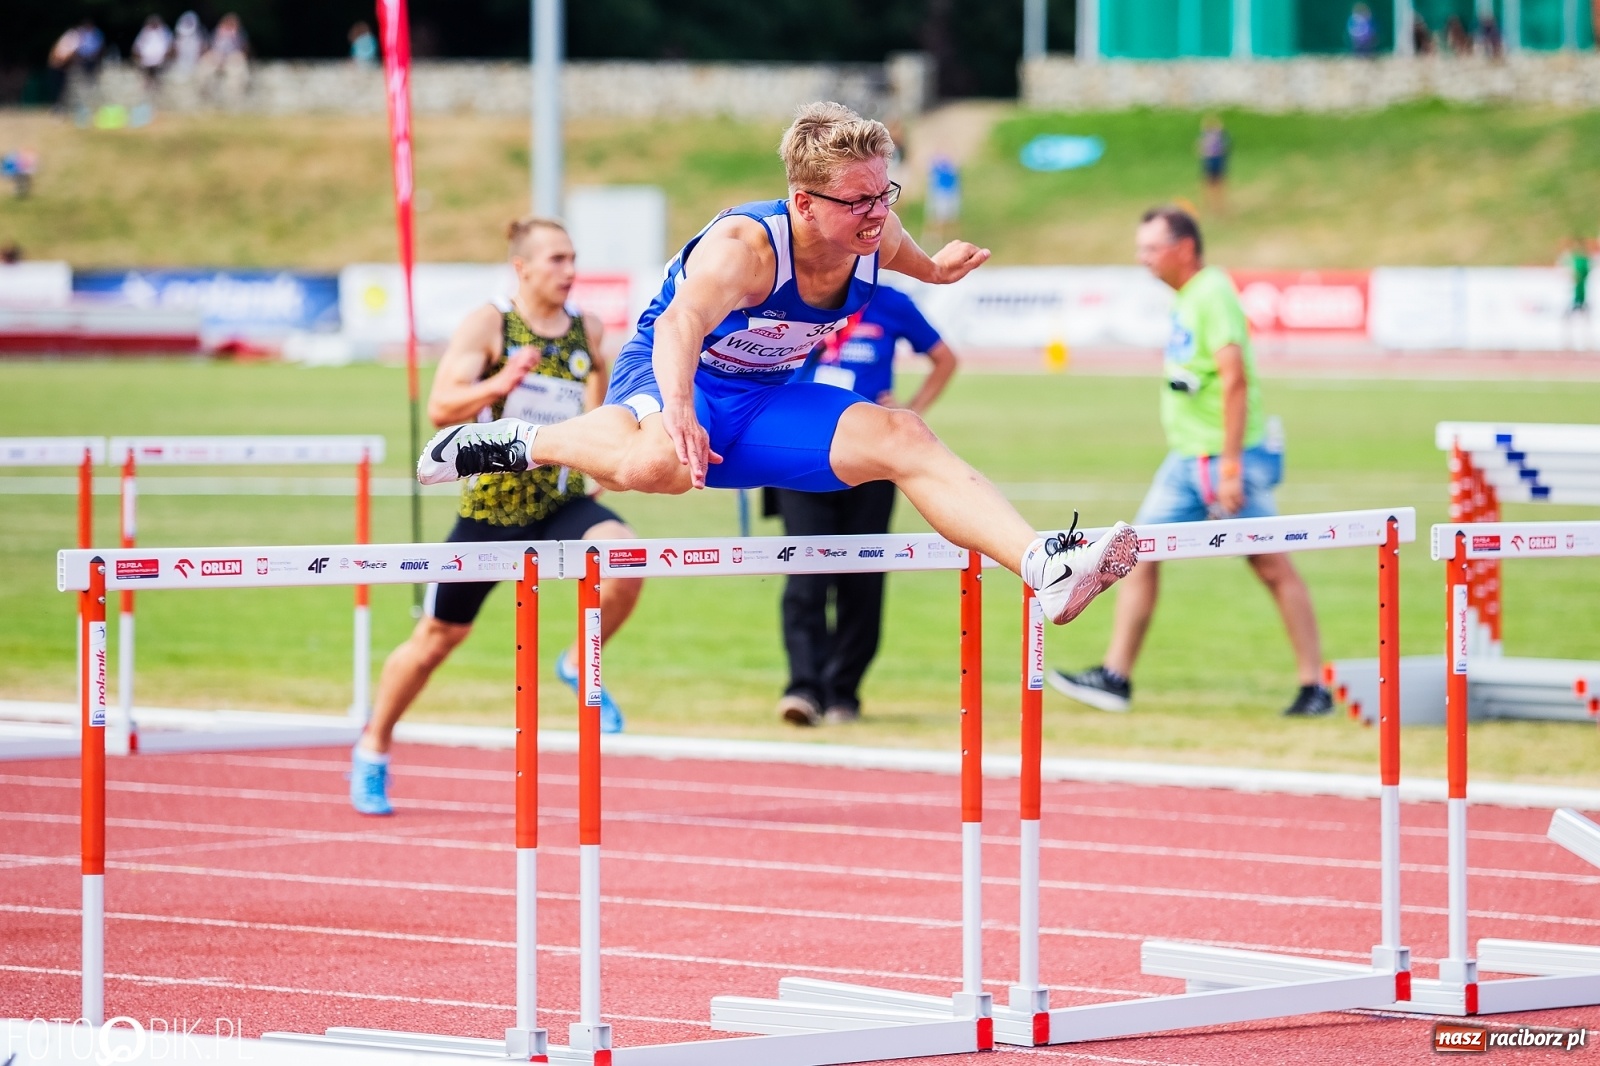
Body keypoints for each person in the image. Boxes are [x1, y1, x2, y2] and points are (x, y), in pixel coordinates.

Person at [418, 101, 1138, 640]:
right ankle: (520, 442)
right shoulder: (744, 249)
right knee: (657, 465)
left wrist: (939, 270)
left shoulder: (875, 229)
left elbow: (910, 257)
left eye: (884, 193)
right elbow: (677, 326)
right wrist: (679, 410)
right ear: (803, 201)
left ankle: (1043, 564)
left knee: (903, 436)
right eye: (857, 199)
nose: (875, 212)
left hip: (768, 397)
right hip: (677, 370)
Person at [351, 216, 644, 815]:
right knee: (437, 639)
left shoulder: (585, 328)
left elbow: (600, 399)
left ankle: (571, 662)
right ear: (523, 267)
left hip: (558, 503)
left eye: (573, 258)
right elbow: (440, 407)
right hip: (491, 509)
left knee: (627, 559)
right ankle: (373, 747)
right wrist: (502, 381)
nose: (569, 270)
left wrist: (596, 462)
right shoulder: (492, 324)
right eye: (557, 259)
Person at [1047, 206, 1333, 718]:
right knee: (1132, 554)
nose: (1142, 260)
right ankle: (1115, 677)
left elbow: (1235, 378)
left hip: (1222, 458)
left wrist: (1228, 467)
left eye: (1150, 249)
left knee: (1272, 566)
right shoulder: (1188, 299)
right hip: (1186, 461)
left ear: (1184, 248)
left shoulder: (1212, 293)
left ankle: (1315, 688)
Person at [770, 285, 959, 726]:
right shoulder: (789, 296)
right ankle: (803, 689)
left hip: (873, 459)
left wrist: (911, 411)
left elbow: (945, 358)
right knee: (806, 573)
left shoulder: (891, 303)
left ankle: (843, 693)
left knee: (864, 576)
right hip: (798, 454)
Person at [1197, 116, 1230, 215]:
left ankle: (1217, 206)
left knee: (1217, 184)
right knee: (1209, 184)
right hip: (1211, 162)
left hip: (1216, 162)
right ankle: (1211, 205)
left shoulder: (1218, 136)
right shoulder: (1206, 136)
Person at [133, 16, 174, 96]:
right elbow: (137, 48)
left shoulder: (164, 32)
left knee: (158, 81)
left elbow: (170, 47)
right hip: (147, 62)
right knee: (148, 81)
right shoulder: (145, 32)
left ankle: (158, 96)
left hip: (160, 62)